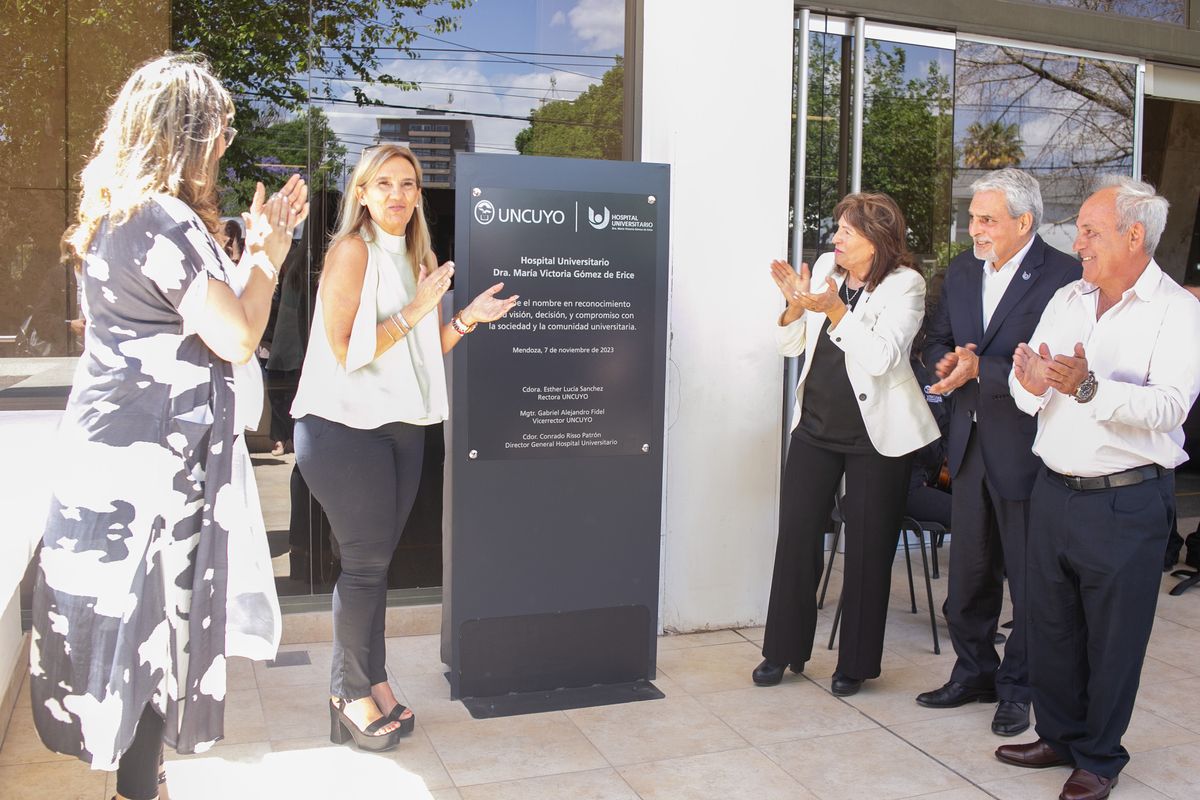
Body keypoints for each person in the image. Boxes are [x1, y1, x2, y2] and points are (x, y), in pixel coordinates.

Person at [28, 54, 306, 800]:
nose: (226, 141)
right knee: (155, 631)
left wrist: (249, 254)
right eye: (221, 127)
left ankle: (139, 781)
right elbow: (238, 336)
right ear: (189, 133)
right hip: (149, 465)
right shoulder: (163, 216)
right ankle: (138, 790)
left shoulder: (123, 214)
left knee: (137, 629)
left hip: (119, 450)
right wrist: (272, 256)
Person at [291, 143, 518, 751]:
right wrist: (420, 305)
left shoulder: (417, 254)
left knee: (375, 568)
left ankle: (375, 679)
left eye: (409, 184)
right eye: (384, 183)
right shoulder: (351, 252)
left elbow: (418, 352)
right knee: (364, 566)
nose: (398, 194)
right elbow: (347, 351)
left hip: (402, 426)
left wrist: (465, 318)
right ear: (361, 193)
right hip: (343, 429)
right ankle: (348, 692)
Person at [997, 177, 1200, 800]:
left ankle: (1099, 757)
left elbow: (1169, 407)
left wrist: (1088, 387)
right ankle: (1058, 735)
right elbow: (1028, 390)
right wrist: (1029, 382)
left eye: (1090, 230)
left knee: (1113, 639)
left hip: (1125, 498)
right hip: (1054, 489)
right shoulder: (1067, 297)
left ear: (1134, 235)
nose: (1077, 241)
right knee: (1050, 626)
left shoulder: (1178, 310)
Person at [915, 169, 1080, 736]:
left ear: (1024, 221)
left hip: (1029, 448)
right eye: (973, 217)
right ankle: (974, 673)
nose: (973, 228)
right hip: (968, 445)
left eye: (986, 219)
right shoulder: (963, 271)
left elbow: (1056, 365)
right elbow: (936, 338)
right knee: (970, 574)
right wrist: (943, 362)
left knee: (1030, 581)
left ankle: (1019, 688)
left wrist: (977, 369)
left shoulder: (1065, 276)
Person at [755, 192, 939, 697]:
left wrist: (836, 309)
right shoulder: (825, 272)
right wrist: (795, 306)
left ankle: (854, 665)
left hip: (876, 437)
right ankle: (782, 652)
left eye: (846, 232)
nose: (834, 238)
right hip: (815, 425)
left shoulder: (907, 286)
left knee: (867, 548)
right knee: (795, 536)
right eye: (837, 229)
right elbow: (790, 347)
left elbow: (881, 358)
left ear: (876, 239)